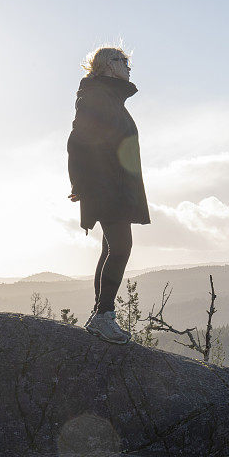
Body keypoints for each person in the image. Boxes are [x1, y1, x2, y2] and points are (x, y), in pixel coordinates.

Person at [66, 46, 150, 344]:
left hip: (113, 185)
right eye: (122, 60)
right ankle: (104, 315)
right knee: (121, 247)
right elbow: (77, 140)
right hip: (107, 186)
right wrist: (80, 183)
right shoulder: (97, 96)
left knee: (110, 248)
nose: (129, 65)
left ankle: (99, 315)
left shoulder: (109, 98)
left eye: (129, 60)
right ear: (105, 66)